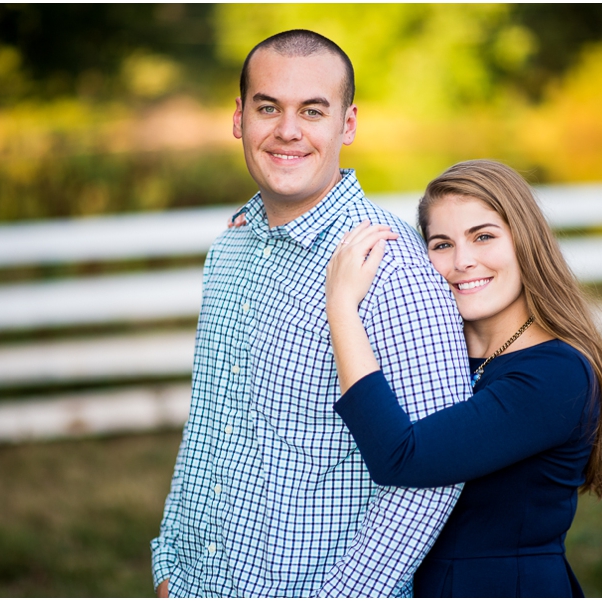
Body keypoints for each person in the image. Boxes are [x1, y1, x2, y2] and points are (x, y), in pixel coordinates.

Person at [150, 30, 472, 597]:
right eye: (267, 107)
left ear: (347, 124)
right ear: (238, 118)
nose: (287, 130)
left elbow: (431, 477)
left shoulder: (390, 264)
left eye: (313, 110)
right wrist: (169, 565)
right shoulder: (230, 249)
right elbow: (209, 425)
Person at [325, 159, 602, 597]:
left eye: (483, 236)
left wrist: (340, 306)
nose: (463, 261)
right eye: (441, 244)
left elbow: (400, 456)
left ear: (525, 242)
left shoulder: (557, 374)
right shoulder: (443, 354)